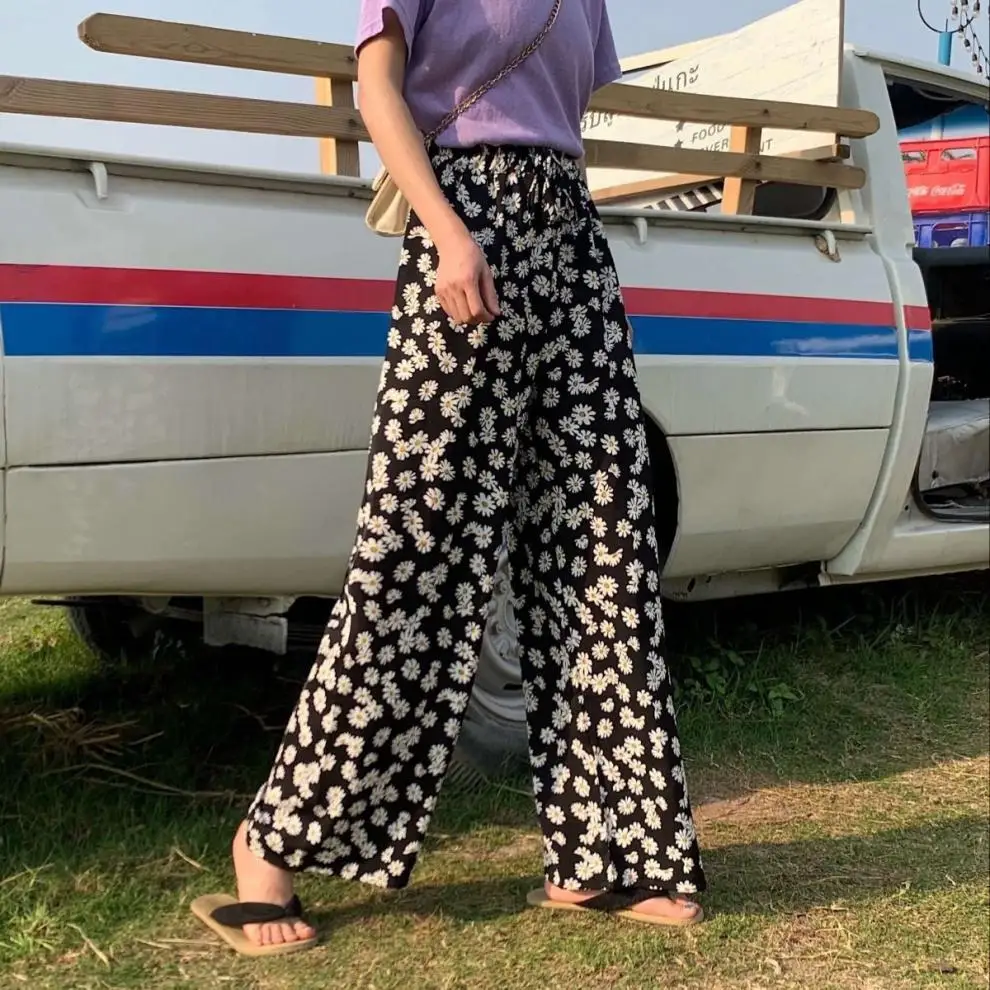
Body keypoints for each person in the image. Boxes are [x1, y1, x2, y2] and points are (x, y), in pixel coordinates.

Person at [193, 0, 706, 956]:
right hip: (462, 224)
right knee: (417, 549)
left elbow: (567, 112)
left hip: (569, 237)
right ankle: (271, 843)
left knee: (604, 541)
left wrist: (567, 252)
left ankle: (605, 848)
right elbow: (376, 88)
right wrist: (449, 231)